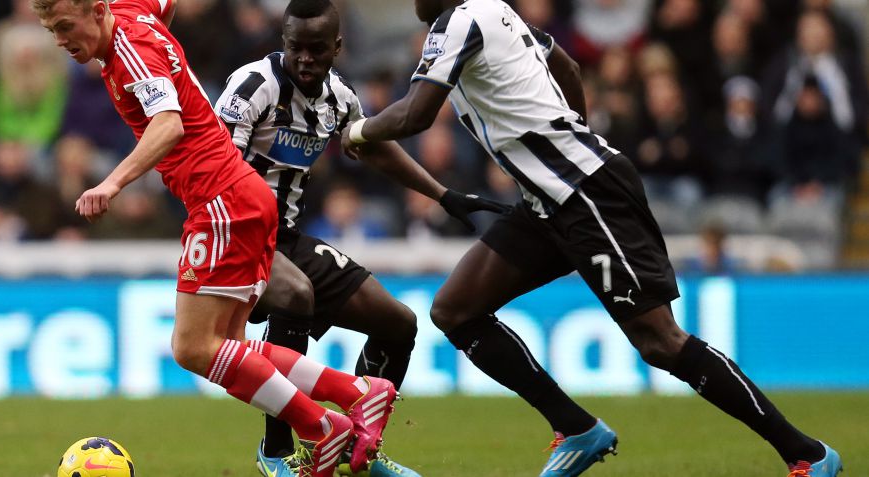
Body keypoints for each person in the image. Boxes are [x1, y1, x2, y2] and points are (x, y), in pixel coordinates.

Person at [341, 0, 843, 476]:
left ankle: (807, 454)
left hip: (585, 191)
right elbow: (567, 66)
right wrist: (572, 128)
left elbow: (416, 114)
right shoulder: (495, 12)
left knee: (660, 342)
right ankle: (577, 428)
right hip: (547, 199)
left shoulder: (459, 21)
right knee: (455, 309)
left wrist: (358, 132)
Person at [31, 1, 400, 476]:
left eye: (65, 26)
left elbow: (169, 124)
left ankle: (322, 427)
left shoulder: (130, 50)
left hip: (220, 200)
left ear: (98, 10)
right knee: (227, 345)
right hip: (242, 197)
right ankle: (359, 392)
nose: (60, 40)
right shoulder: (131, 11)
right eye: (52, 30)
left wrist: (112, 183)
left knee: (193, 347)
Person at [214, 1, 508, 474]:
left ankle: (359, 451)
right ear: (283, 43)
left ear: (337, 46)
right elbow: (215, 169)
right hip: (233, 233)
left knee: (398, 324)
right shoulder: (253, 86)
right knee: (295, 294)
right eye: (295, 48)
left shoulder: (339, 97)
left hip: (286, 237)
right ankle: (277, 451)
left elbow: (372, 148)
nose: (305, 59)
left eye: (316, 49)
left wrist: (442, 194)